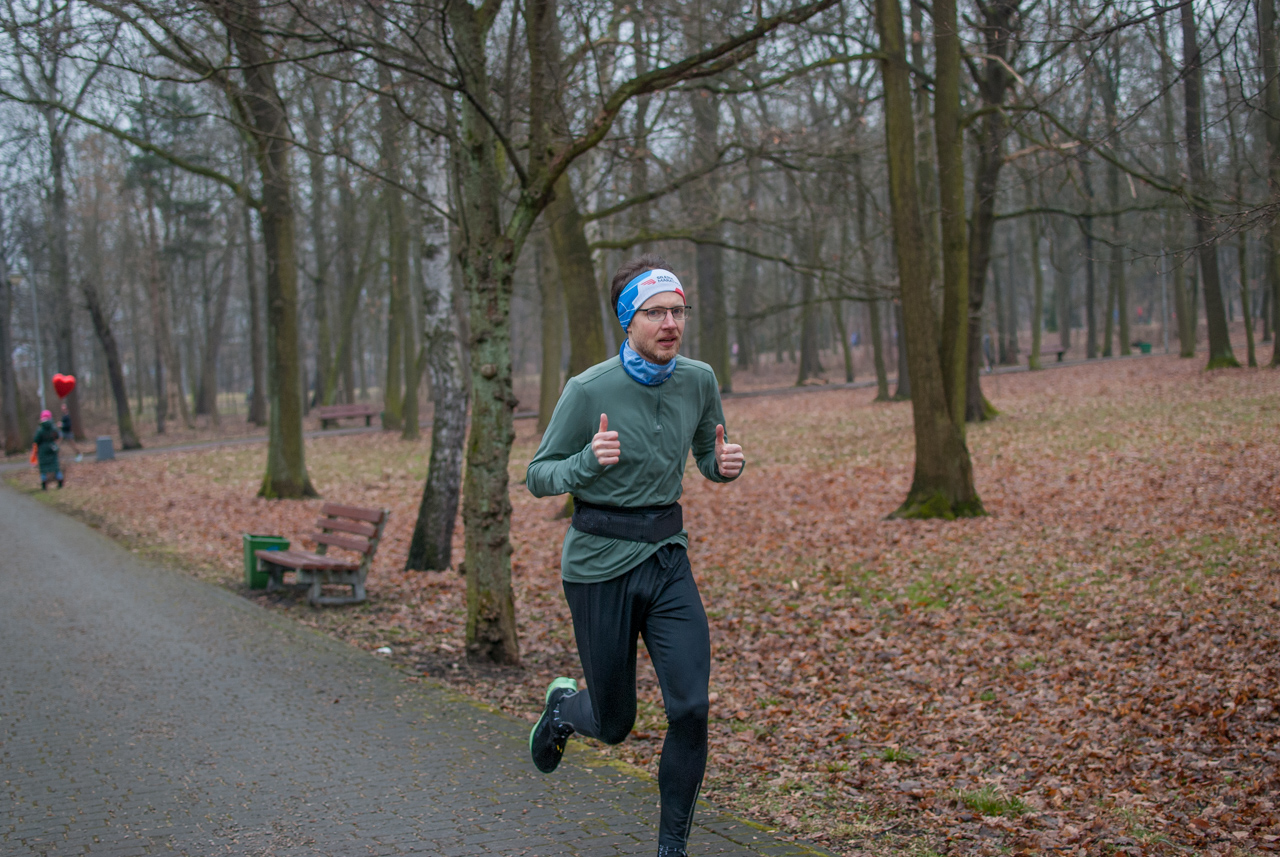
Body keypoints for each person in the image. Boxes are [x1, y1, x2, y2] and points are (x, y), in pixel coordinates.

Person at [525, 254, 745, 857]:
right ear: (629, 321)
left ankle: (670, 846)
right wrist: (585, 464)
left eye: (678, 311)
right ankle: (566, 711)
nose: (670, 323)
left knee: (691, 708)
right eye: (655, 313)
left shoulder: (698, 379)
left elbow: (708, 453)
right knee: (617, 724)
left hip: (668, 558)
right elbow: (537, 475)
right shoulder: (588, 390)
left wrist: (724, 468)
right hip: (600, 565)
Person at [33, 410, 63, 490]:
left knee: (43, 467)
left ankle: (44, 483)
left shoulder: (40, 429)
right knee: (55, 466)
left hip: (42, 449)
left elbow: (36, 440)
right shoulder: (53, 427)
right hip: (52, 447)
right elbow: (57, 436)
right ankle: (60, 480)